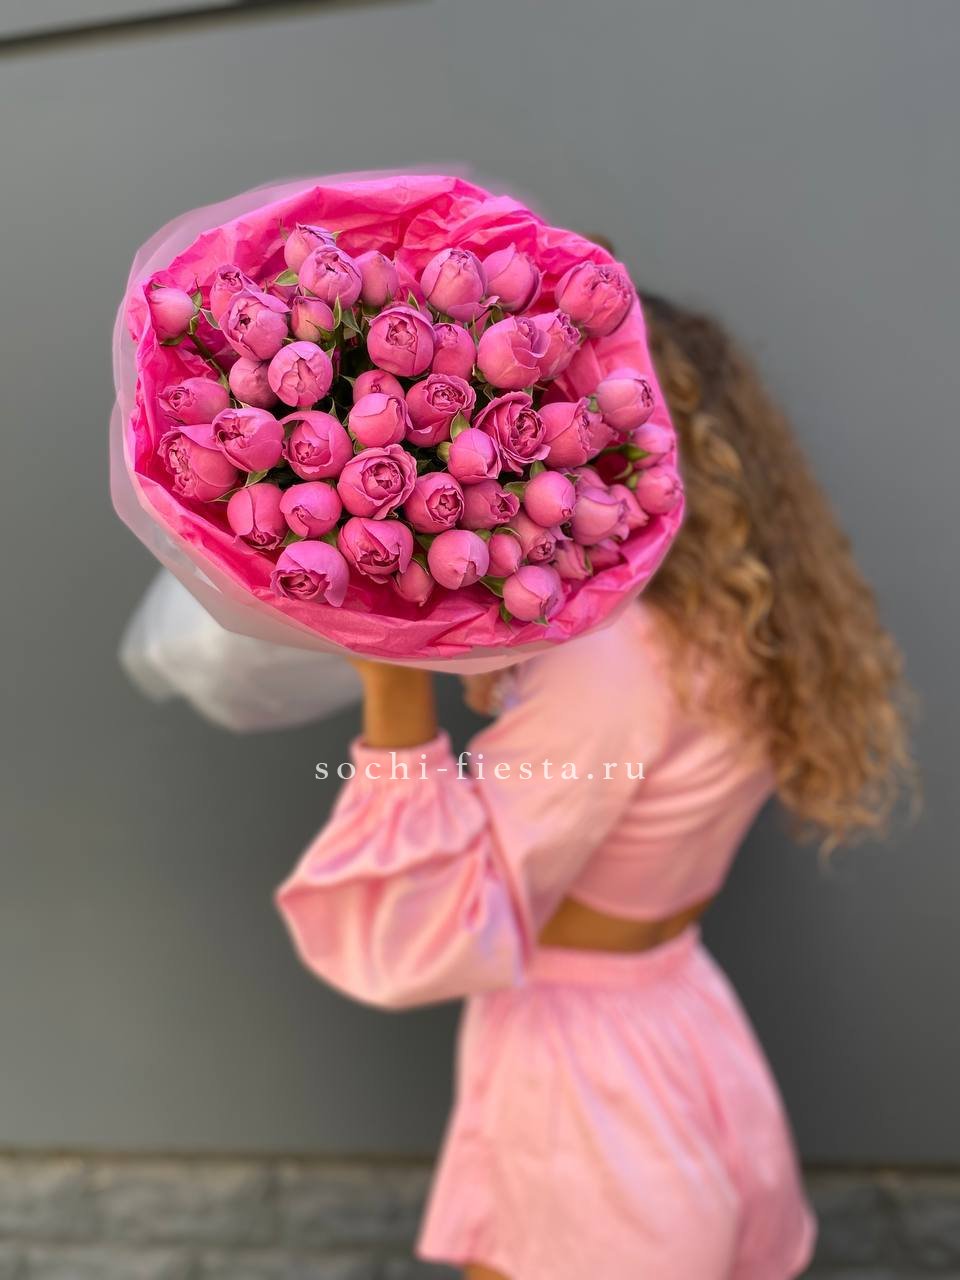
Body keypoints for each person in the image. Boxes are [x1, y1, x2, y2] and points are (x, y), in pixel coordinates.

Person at [274, 289, 915, 1280]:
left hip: (592, 1092)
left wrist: (393, 686)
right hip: (680, 1024)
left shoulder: (612, 657)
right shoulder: (738, 620)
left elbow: (423, 933)